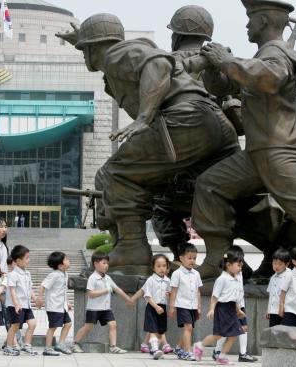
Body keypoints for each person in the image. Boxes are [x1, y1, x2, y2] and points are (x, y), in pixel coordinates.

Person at [57, 13, 239, 275]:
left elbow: (157, 66)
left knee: (115, 174)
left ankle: (131, 249)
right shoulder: (127, 52)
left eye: (84, 48)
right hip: (214, 124)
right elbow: (175, 67)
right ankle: (216, 258)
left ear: (93, 47)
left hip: (184, 120)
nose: (83, 53)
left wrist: (144, 118)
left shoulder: (116, 54)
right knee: (221, 191)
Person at [192, 0, 296, 279]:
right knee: (210, 186)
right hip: (255, 155)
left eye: (251, 20)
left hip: (280, 153)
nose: (247, 25)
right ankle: (217, 258)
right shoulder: (260, 57)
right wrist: (215, 67)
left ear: (262, 22)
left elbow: (270, 78)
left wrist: (226, 61)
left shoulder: (276, 53)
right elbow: (223, 85)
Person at [193, 247, 246, 365]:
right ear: (228, 265)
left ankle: (222, 356)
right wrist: (211, 309)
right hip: (222, 309)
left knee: (234, 334)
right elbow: (215, 296)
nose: (240, 268)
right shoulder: (222, 279)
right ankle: (200, 346)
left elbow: (235, 297)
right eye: (238, 265)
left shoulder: (236, 279)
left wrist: (238, 310)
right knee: (218, 335)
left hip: (232, 309)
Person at [71, 252, 131, 354]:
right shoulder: (93, 278)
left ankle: (113, 347)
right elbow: (90, 294)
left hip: (106, 308)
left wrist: (128, 299)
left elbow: (117, 289)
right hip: (94, 308)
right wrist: (105, 291)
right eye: (103, 263)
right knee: (88, 327)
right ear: (95, 264)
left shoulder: (108, 278)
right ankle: (75, 344)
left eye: (107, 263)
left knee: (113, 325)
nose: (106, 265)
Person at [212, 245, 257, 362]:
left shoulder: (239, 272)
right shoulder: (225, 276)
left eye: (241, 261)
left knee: (244, 328)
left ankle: (243, 353)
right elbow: (216, 295)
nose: (240, 265)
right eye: (238, 262)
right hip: (228, 306)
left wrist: (240, 306)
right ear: (229, 263)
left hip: (239, 304)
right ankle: (217, 351)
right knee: (226, 331)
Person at [129, 254, 173, 359]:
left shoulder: (168, 281)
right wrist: (156, 307)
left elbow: (171, 294)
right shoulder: (150, 280)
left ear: (167, 268)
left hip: (162, 307)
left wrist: (170, 297)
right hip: (152, 307)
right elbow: (147, 295)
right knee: (153, 329)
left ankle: (145, 345)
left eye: (164, 266)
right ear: (153, 268)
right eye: (158, 266)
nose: (162, 268)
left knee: (160, 329)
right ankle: (155, 348)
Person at [169, 242, 202, 361]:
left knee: (189, 328)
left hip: (193, 306)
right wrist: (172, 307)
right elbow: (174, 291)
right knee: (188, 327)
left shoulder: (196, 274)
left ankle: (179, 348)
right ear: (181, 258)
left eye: (194, 258)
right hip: (182, 305)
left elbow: (198, 292)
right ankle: (188, 352)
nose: (192, 261)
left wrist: (199, 307)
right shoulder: (177, 274)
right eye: (189, 258)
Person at [36, 251, 73, 356]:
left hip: (62, 306)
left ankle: (60, 344)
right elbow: (43, 286)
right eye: (66, 259)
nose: (69, 261)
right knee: (53, 327)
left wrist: (67, 302)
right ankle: (47, 348)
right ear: (60, 265)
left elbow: (62, 291)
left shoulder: (65, 274)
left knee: (68, 323)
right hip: (54, 306)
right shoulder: (54, 275)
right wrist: (40, 298)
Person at [4, 245, 37, 356]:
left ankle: (26, 345)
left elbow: (30, 289)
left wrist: (35, 299)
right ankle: (8, 347)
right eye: (27, 258)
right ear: (18, 260)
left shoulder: (27, 273)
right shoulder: (13, 275)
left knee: (32, 324)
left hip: (26, 305)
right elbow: (12, 291)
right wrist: (16, 304)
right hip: (15, 305)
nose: (29, 260)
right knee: (15, 326)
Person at [266, 248, 291, 327]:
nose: (276, 266)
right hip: (273, 312)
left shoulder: (289, 275)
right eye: (274, 263)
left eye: (280, 264)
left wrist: (283, 307)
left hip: (285, 312)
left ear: (287, 264)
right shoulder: (273, 277)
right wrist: (268, 310)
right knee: (273, 334)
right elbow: (271, 295)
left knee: (284, 334)